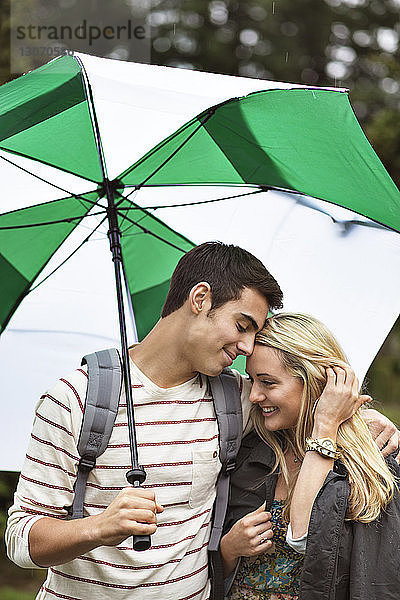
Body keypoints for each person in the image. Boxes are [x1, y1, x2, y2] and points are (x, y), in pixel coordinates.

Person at [5, 243, 399, 600]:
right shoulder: (76, 398)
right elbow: (21, 538)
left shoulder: (233, 397)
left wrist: (360, 415)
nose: (247, 348)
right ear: (200, 298)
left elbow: (298, 397)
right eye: (242, 326)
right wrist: (99, 527)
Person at [220, 312, 400, 600]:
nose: (253, 395)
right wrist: (228, 550)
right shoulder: (251, 452)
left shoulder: (371, 460)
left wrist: (325, 424)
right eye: (252, 380)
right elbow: (216, 570)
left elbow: (305, 536)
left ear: (315, 381)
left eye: (267, 382)